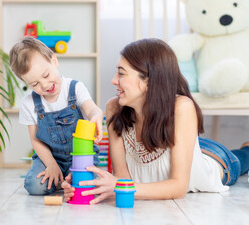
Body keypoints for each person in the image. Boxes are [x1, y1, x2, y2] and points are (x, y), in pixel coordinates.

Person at [62, 38, 249, 204]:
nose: (113, 80)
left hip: (217, 160)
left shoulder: (182, 107)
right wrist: (87, 185)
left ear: (149, 81)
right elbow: (121, 178)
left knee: (243, 157)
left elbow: (178, 187)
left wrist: (118, 186)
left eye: (121, 73)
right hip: (180, 146)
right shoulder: (114, 108)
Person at [9, 36, 103, 195]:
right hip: (50, 157)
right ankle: (62, 179)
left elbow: (92, 109)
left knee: (86, 185)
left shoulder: (75, 88)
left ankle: (65, 181)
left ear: (54, 61)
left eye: (45, 75)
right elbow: (35, 140)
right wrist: (51, 164)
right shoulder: (29, 103)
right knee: (34, 186)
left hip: (81, 155)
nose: (45, 85)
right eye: (35, 84)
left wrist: (96, 115)